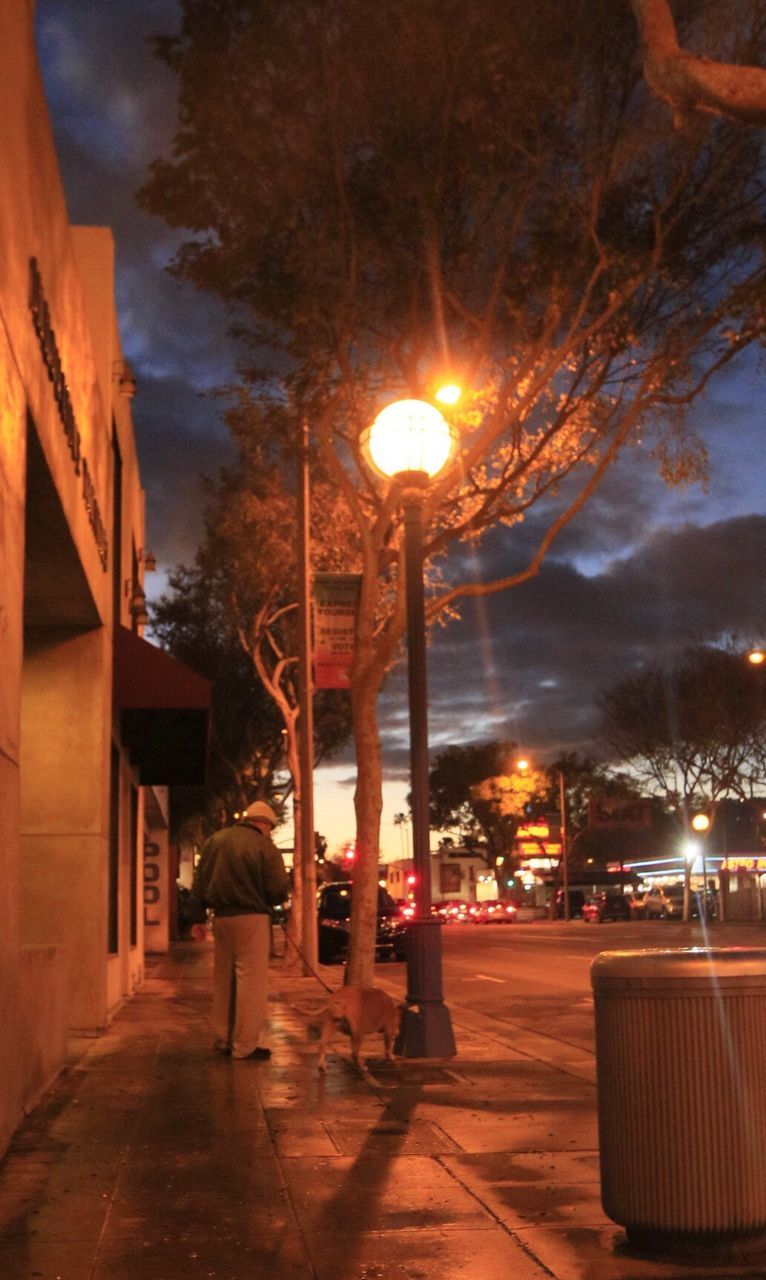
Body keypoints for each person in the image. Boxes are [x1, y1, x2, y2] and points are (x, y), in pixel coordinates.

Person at [191, 801, 289, 1060]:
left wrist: (196, 918)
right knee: (251, 983)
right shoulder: (264, 847)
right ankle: (244, 1045)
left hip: (221, 919)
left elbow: (199, 882)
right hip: (252, 918)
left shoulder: (214, 841)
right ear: (265, 824)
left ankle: (223, 1038)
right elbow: (278, 889)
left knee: (224, 981)